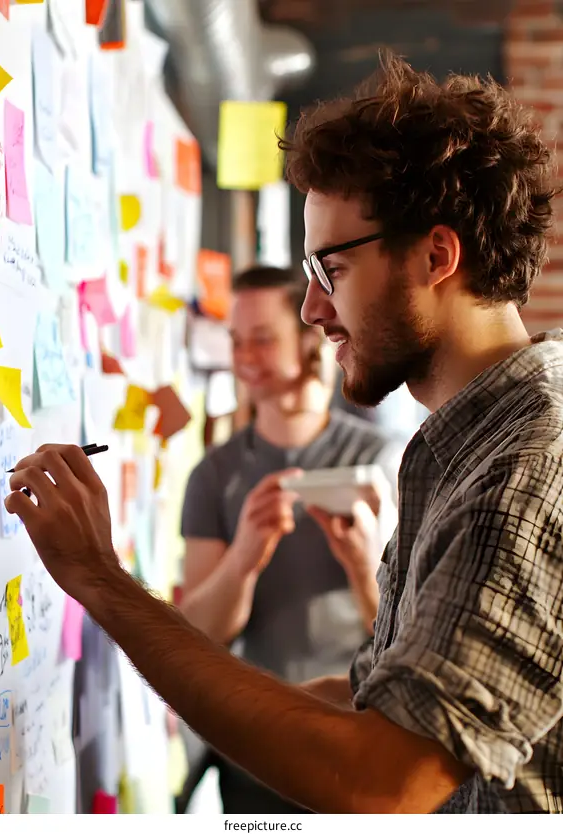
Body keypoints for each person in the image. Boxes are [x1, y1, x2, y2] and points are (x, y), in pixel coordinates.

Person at [5, 53, 563, 813]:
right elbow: (367, 703)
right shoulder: (456, 451)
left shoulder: (524, 467)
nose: (310, 310)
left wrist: (98, 578)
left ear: (437, 256)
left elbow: (382, 780)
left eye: (330, 269)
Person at [179, 265, 401, 813]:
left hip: (358, 735)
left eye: (262, 339)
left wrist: (364, 566)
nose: (244, 357)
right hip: (255, 742)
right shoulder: (213, 475)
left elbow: (405, 638)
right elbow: (195, 637)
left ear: (309, 342)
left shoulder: (377, 463)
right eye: (235, 341)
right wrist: (243, 561)